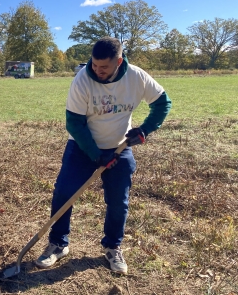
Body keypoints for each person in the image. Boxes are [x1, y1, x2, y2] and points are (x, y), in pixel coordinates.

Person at [35, 37, 172, 275]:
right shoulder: (82, 80)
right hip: (82, 147)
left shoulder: (137, 77)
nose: (97, 70)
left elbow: (162, 103)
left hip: (120, 147)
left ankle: (112, 247)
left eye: (104, 67)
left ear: (119, 61)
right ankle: (58, 243)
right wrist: (97, 155)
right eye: (94, 64)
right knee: (64, 193)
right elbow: (74, 123)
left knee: (118, 202)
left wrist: (144, 130)